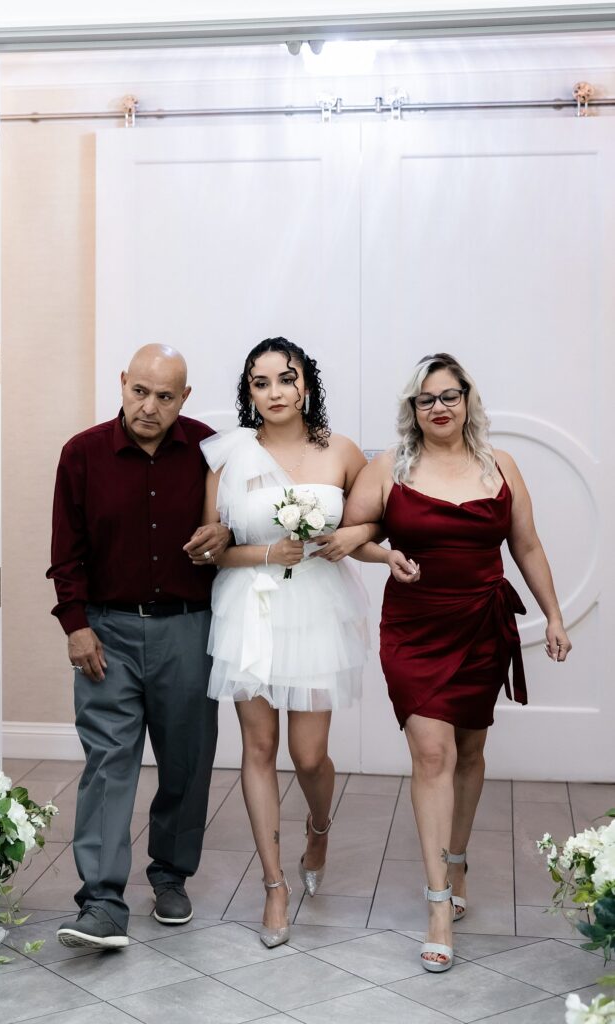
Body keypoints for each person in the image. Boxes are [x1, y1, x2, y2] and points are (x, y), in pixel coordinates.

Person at [344, 352, 571, 973]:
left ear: (467, 400)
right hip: (415, 628)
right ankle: (439, 902)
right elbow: (351, 533)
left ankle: (458, 858)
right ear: (412, 410)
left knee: (469, 750)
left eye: (449, 396)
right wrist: (384, 556)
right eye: (427, 399)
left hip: (481, 624)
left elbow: (525, 543)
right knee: (432, 752)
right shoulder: (389, 467)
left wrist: (551, 615)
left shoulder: (502, 466)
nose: (439, 407)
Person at [47, 344, 230, 949]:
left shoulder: (210, 449)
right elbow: (66, 552)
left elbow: (242, 523)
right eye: (139, 392)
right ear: (123, 383)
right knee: (108, 762)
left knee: (187, 758)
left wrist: (225, 530)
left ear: (185, 398)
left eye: (165, 397)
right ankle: (101, 901)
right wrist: (75, 623)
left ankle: (170, 874)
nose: (149, 407)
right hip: (108, 632)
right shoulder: (82, 454)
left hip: (189, 627)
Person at [195, 337, 376, 948]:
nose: (274, 392)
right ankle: (274, 886)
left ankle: (319, 826)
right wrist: (268, 551)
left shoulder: (342, 452)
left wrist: (353, 536)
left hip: (318, 609)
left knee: (307, 754)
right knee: (259, 746)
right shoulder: (229, 457)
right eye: (260, 382)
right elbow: (213, 552)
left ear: (306, 385)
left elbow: (375, 516)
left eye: (285, 379)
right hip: (250, 607)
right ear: (249, 393)